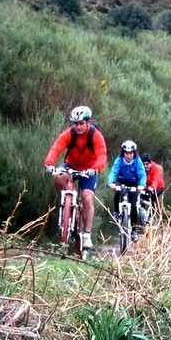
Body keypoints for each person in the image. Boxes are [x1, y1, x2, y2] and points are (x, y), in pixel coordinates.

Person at [43, 105, 107, 249]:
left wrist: (95, 169)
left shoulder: (95, 135)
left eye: (81, 124)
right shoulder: (69, 133)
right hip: (71, 165)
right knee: (58, 176)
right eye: (75, 124)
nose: (78, 127)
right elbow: (56, 148)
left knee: (87, 197)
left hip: (89, 170)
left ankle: (86, 234)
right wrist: (49, 163)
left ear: (88, 122)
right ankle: (67, 202)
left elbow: (102, 155)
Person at [107, 140, 146, 240]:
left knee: (133, 205)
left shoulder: (138, 161)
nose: (128, 155)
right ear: (123, 153)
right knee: (118, 192)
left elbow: (142, 174)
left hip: (134, 183)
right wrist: (111, 182)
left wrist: (141, 185)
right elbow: (114, 171)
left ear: (134, 153)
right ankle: (116, 213)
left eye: (130, 153)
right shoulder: (119, 160)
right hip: (121, 181)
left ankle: (133, 230)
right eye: (126, 153)